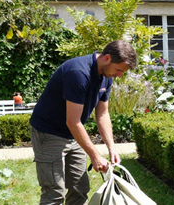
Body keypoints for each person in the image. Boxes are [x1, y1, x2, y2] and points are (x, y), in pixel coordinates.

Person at [29, 40, 137, 205]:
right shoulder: (78, 72)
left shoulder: (106, 76)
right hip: (49, 133)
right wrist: (95, 156)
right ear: (107, 58)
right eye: (119, 70)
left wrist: (111, 147)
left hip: (72, 134)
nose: (119, 75)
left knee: (80, 188)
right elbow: (72, 121)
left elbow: (103, 113)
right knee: (54, 193)